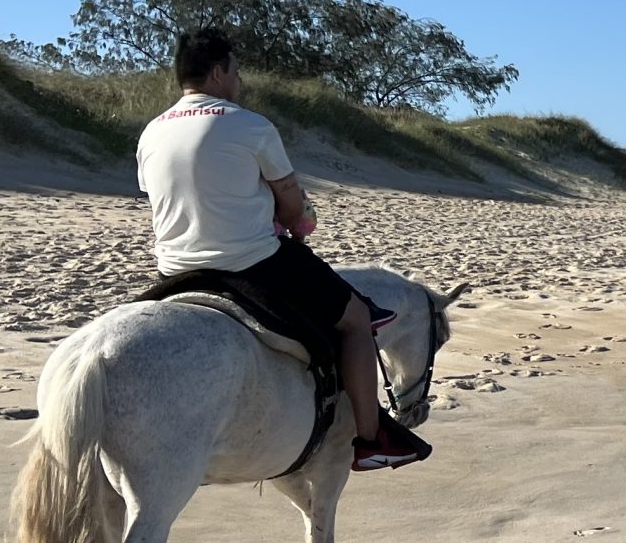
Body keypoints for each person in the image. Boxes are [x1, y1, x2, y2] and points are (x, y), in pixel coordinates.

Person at [135, 25, 431, 472]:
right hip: (249, 262)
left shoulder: (151, 132)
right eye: (236, 71)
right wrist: (295, 223)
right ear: (217, 73)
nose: (240, 81)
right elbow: (291, 202)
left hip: (174, 268)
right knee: (356, 319)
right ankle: (372, 439)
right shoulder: (250, 125)